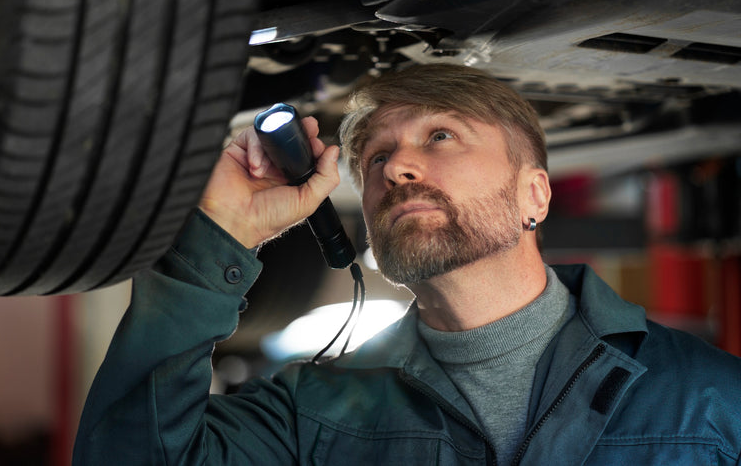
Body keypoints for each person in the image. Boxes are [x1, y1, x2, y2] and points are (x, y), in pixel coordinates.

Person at [73, 64, 741, 465]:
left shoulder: (711, 401)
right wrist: (218, 238)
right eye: (375, 159)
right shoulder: (316, 411)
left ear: (535, 194)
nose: (396, 167)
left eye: (440, 135)